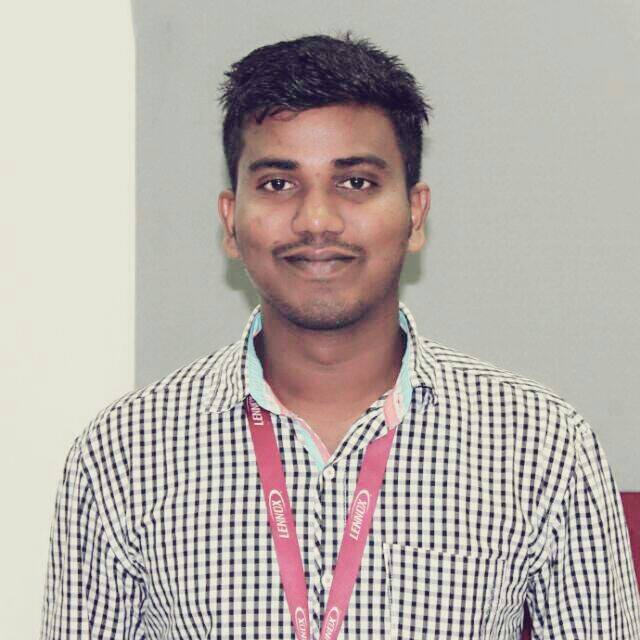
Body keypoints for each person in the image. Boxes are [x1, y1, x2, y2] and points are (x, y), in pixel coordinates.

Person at [41, 33, 640, 639]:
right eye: (278, 184)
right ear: (230, 221)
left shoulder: (542, 446)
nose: (317, 220)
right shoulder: (122, 454)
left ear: (415, 215)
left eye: (355, 182)